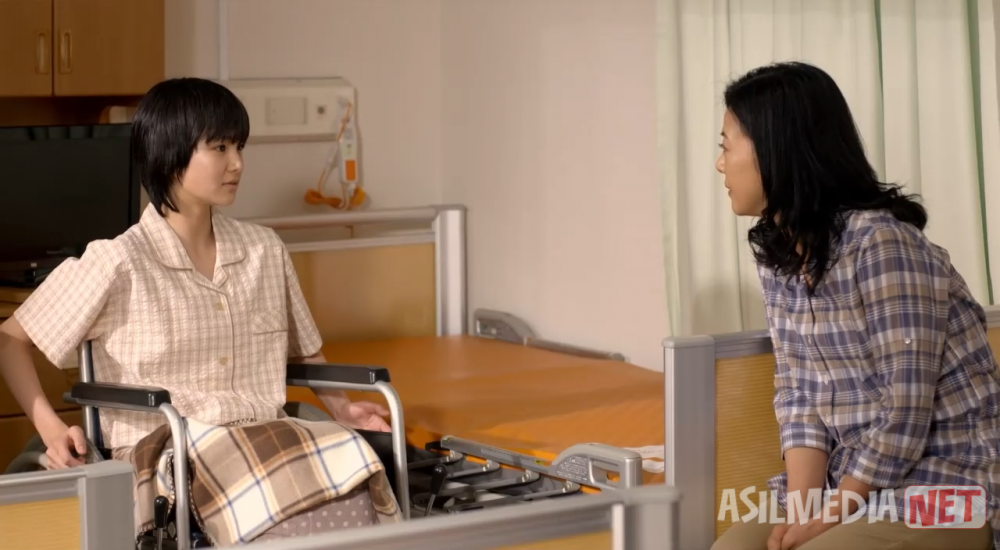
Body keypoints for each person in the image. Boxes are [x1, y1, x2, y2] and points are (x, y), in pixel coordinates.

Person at [0, 77, 400, 545]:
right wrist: (50, 429)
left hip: (266, 437)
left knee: (351, 455)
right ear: (170, 155)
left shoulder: (264, 250)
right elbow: (10, 340)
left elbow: (306, 353)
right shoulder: (117, 261)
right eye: (220, 148)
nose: (238, 163)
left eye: (239, 147)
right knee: (285, 488)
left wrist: (344, 409)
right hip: (169, 449)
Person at [710, 61, 999, 550]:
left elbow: (904, 410)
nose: (720, 164)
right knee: (734, 547)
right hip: (853, 489)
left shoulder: (882, 244)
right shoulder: (780, 258)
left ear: (777, 147)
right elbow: (799, 398)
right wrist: (802, 515)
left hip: (945, 487)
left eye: (726, 146)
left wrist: (827, 520)